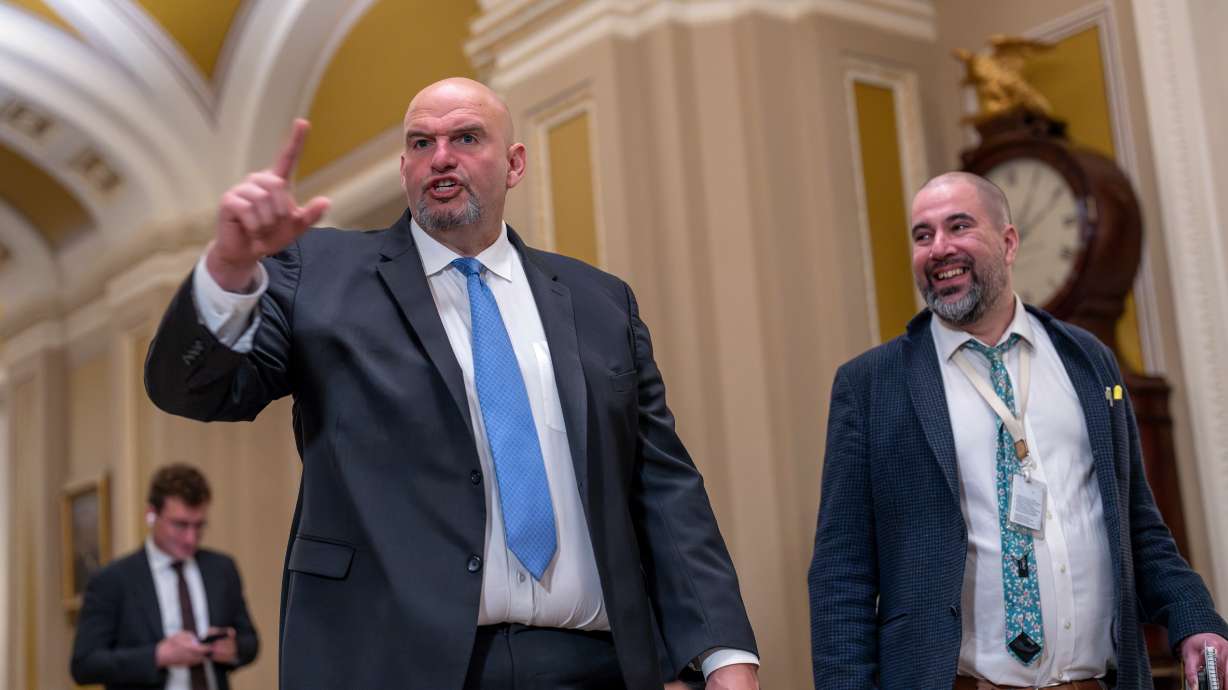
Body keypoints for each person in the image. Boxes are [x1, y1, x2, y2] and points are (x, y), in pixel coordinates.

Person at [143, 77, 758, 689]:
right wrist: (227, 268)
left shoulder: (601, 302)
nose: (440, 157)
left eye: (465, 137)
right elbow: (191, 389)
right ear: (404, 166)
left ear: (514, 164)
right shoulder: (318, 272)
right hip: (393, 664)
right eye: (420, 143)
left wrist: (724, 654)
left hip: (594, 664)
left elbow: (665, 488)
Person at [808, 171, 1228, 690]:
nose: (939, 248)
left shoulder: (1088, 361)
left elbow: (1136, 522)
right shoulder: (872, 385)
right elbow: (840, 572)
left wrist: (1195, 617)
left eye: (958, 226)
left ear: (1008, 242)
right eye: (923, 235)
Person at [71, 464, 259, 690]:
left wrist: (234, 648)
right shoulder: (112, 579)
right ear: (151, 514)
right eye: (180, 525)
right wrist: (158, 655)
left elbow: (251, 642)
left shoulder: (222, 568)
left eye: (199, 525)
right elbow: (84, 665)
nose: (191, 538)